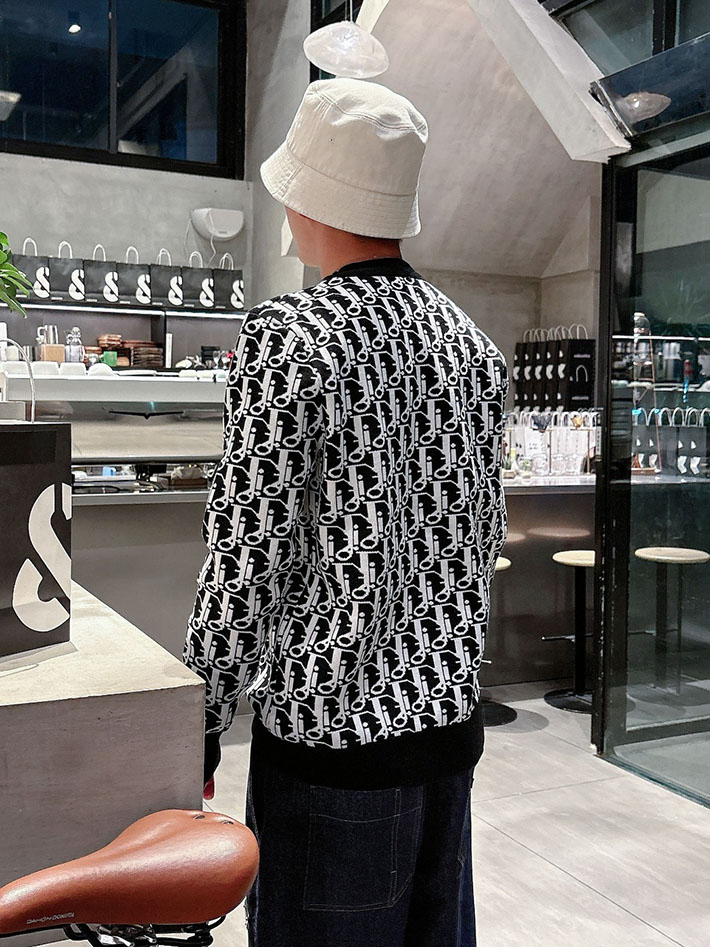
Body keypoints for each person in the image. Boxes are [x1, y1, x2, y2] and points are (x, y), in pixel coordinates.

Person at [183, 77, 508, 947]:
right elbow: (477, 541)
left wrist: (200, 717)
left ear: (309, 197)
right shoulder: (472, 349)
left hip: (332, 749)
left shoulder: (290, 337)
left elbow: (247, 554)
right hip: (448, 735)